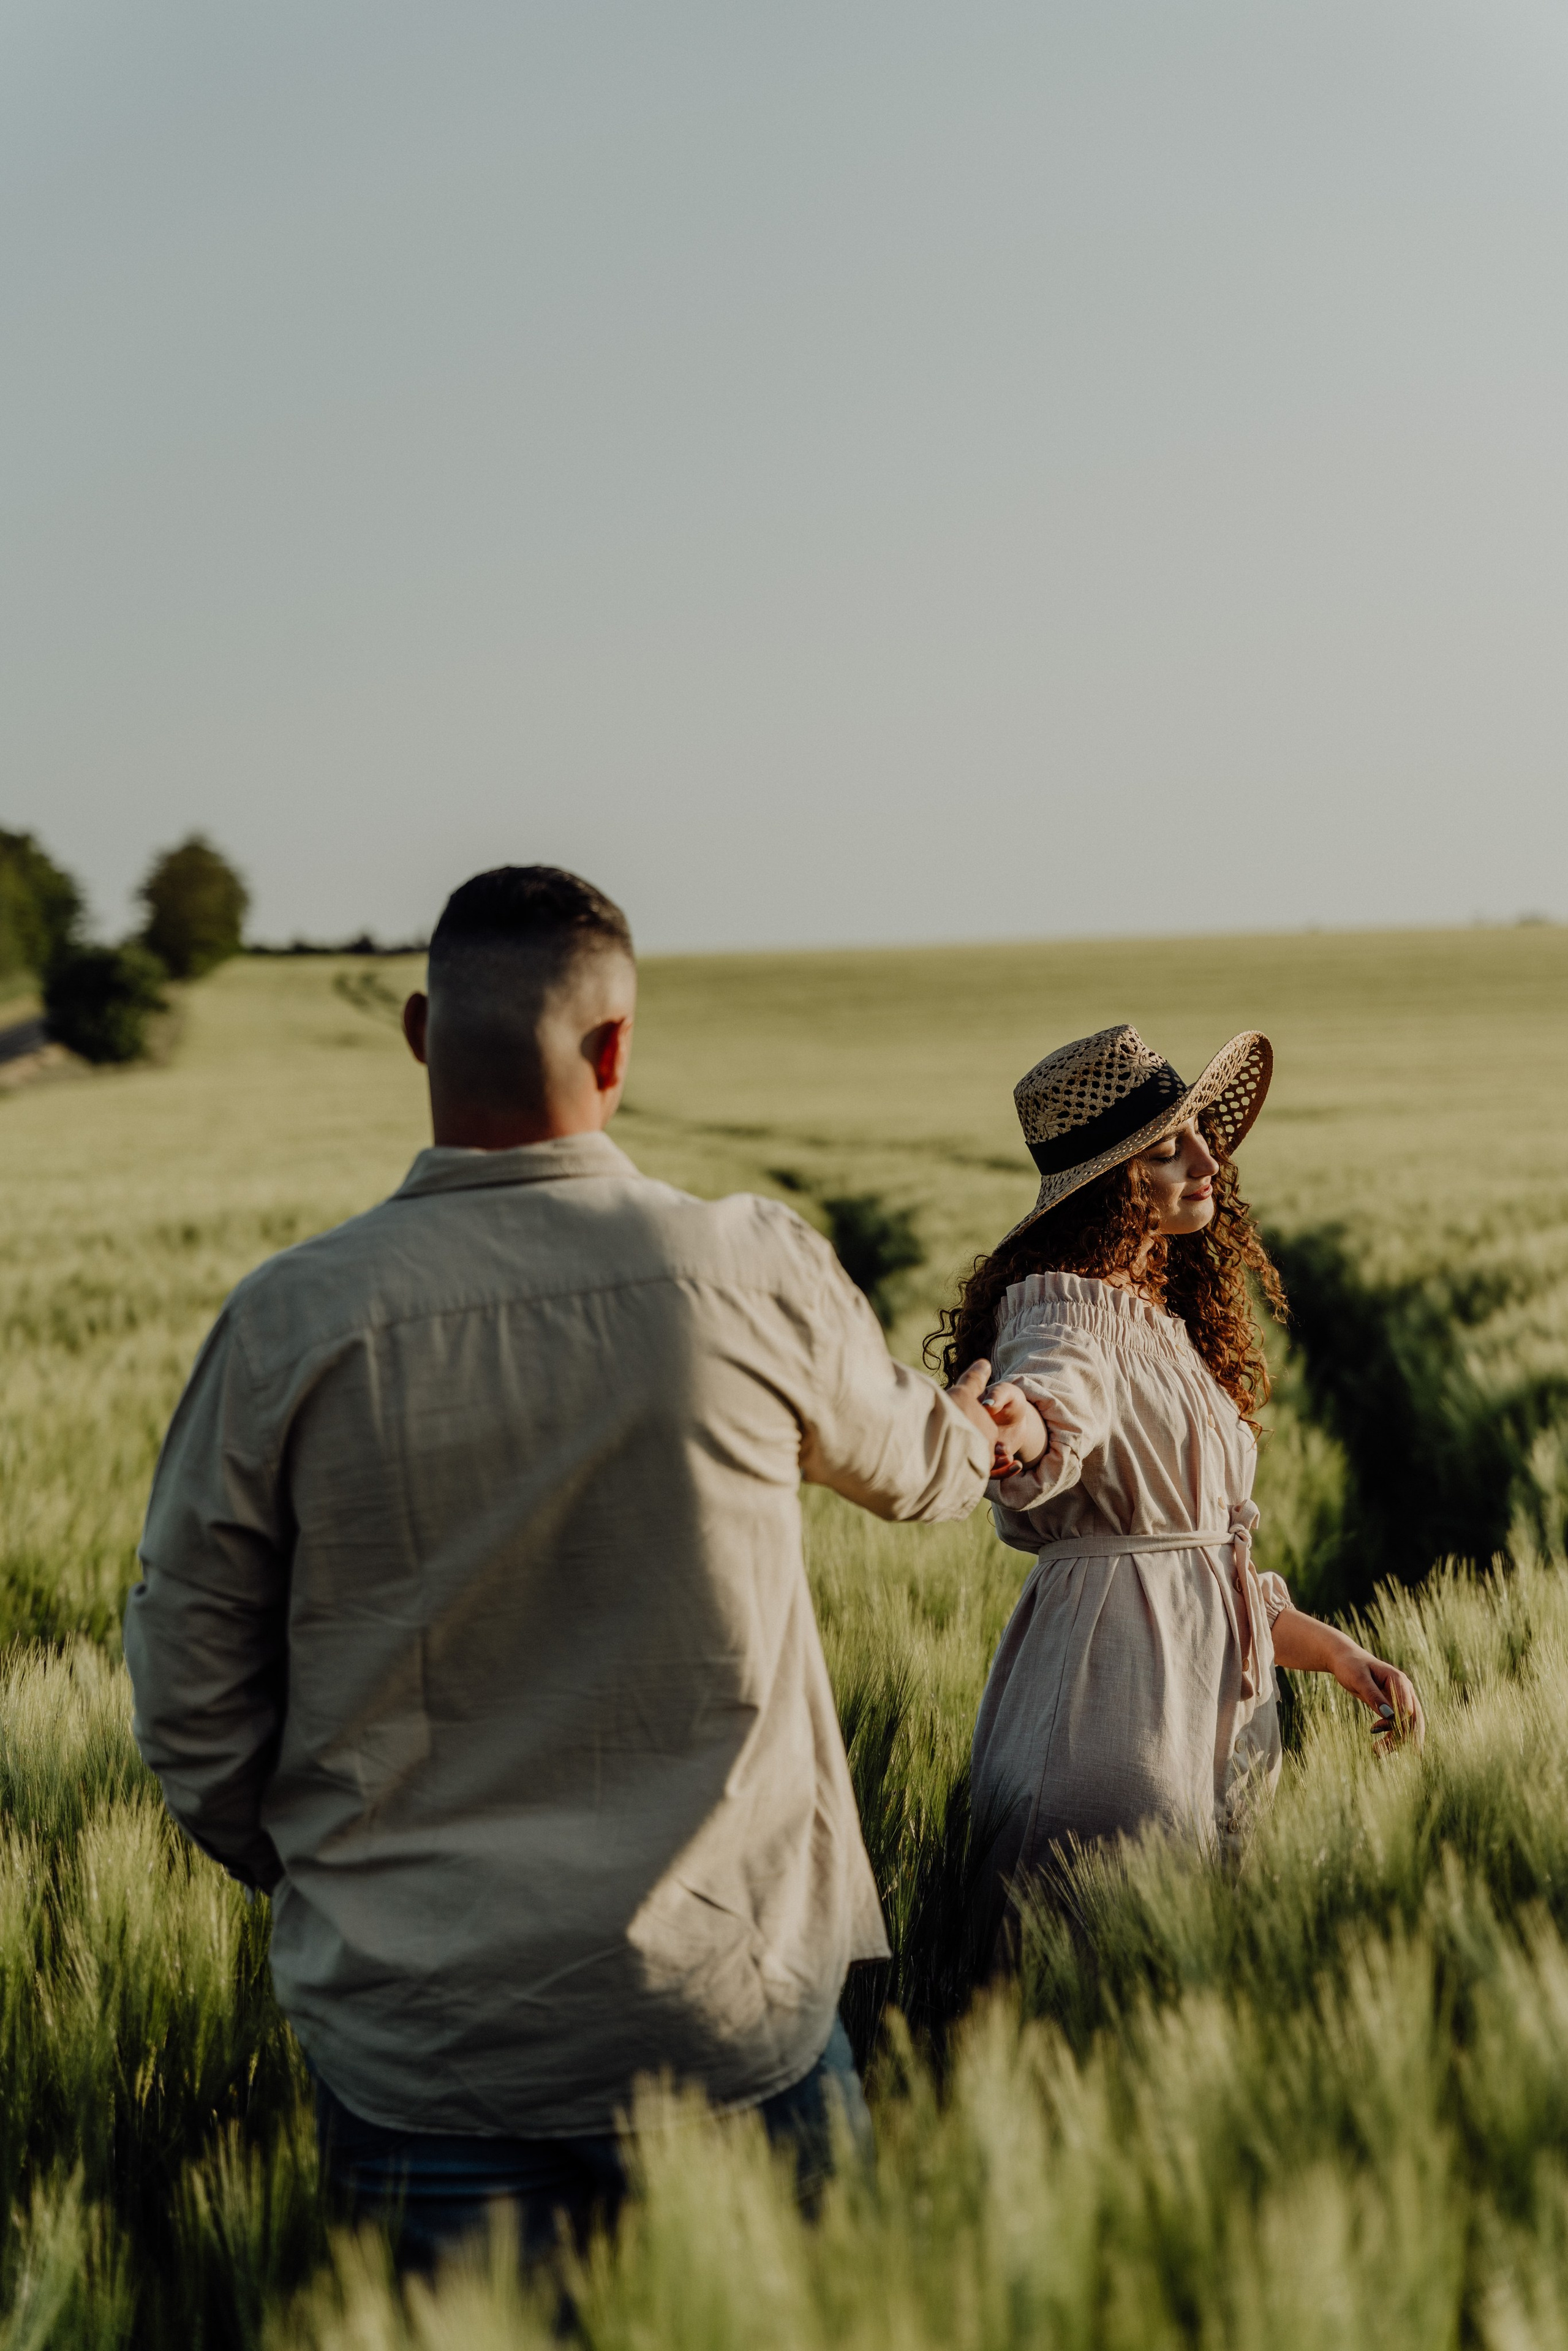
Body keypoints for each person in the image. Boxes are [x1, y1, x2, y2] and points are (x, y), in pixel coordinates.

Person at [123, 865, 1026, 2273]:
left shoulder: (290, 1323)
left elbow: (186, 1685)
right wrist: (976, 1423)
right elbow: (925, 1470)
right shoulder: (742, 1268)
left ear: (418, 1030)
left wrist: (328, 1871)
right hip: (729, 2016)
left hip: (420, 2043)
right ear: (614, 1051)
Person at [927, 1022, 1423, 1927]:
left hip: (1201, 1721)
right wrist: (1016, 1427)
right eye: (1167, 1148)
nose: (1207, 1158)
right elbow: (1049, 1399)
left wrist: (1339, 1654)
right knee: (1081, 2002)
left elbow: (1205, 1565)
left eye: (1199, 1132)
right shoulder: (1066, 1314)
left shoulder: (1160, 1322)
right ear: (1109, 1185)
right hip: (1116, 1720)